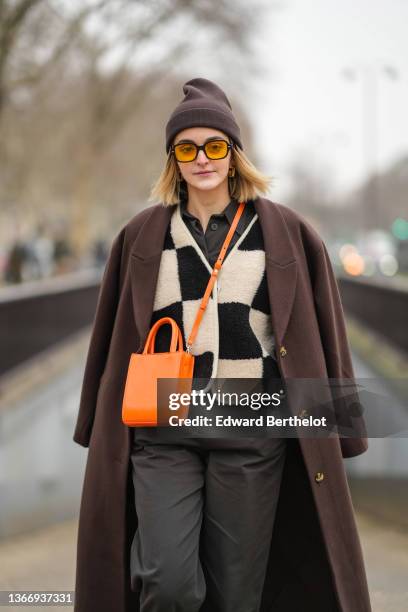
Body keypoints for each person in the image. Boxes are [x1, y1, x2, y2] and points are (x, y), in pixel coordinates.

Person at [73, 78, 371, 612]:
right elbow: (112, 340)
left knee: (237, 595)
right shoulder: (142, 236)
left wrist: (338, 425)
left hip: (251, 431)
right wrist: (95, 420)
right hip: (165, 431)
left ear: (233, 155)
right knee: (168, 583)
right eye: (187, 148)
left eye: (215, 146)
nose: (202, 159)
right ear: (174, 159)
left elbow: (321, 330)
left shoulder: (284, 232)